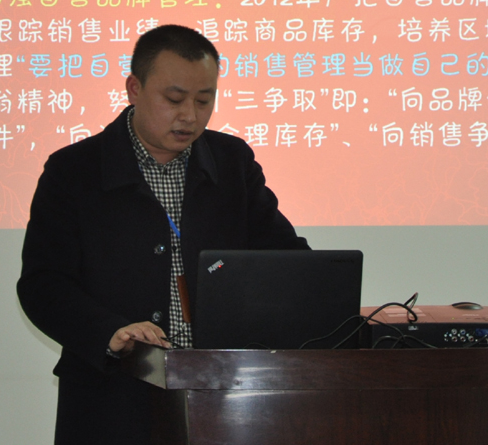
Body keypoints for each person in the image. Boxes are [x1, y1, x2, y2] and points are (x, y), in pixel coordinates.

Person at [17, 24, 309, 445]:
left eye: (204, 100)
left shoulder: (232, 162)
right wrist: (109, 331)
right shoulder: (74, 171)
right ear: (134, 89)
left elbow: (285, 258)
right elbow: (43, 284)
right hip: (112, 398)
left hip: (223, 396)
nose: (190, 115)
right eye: (174, 99)